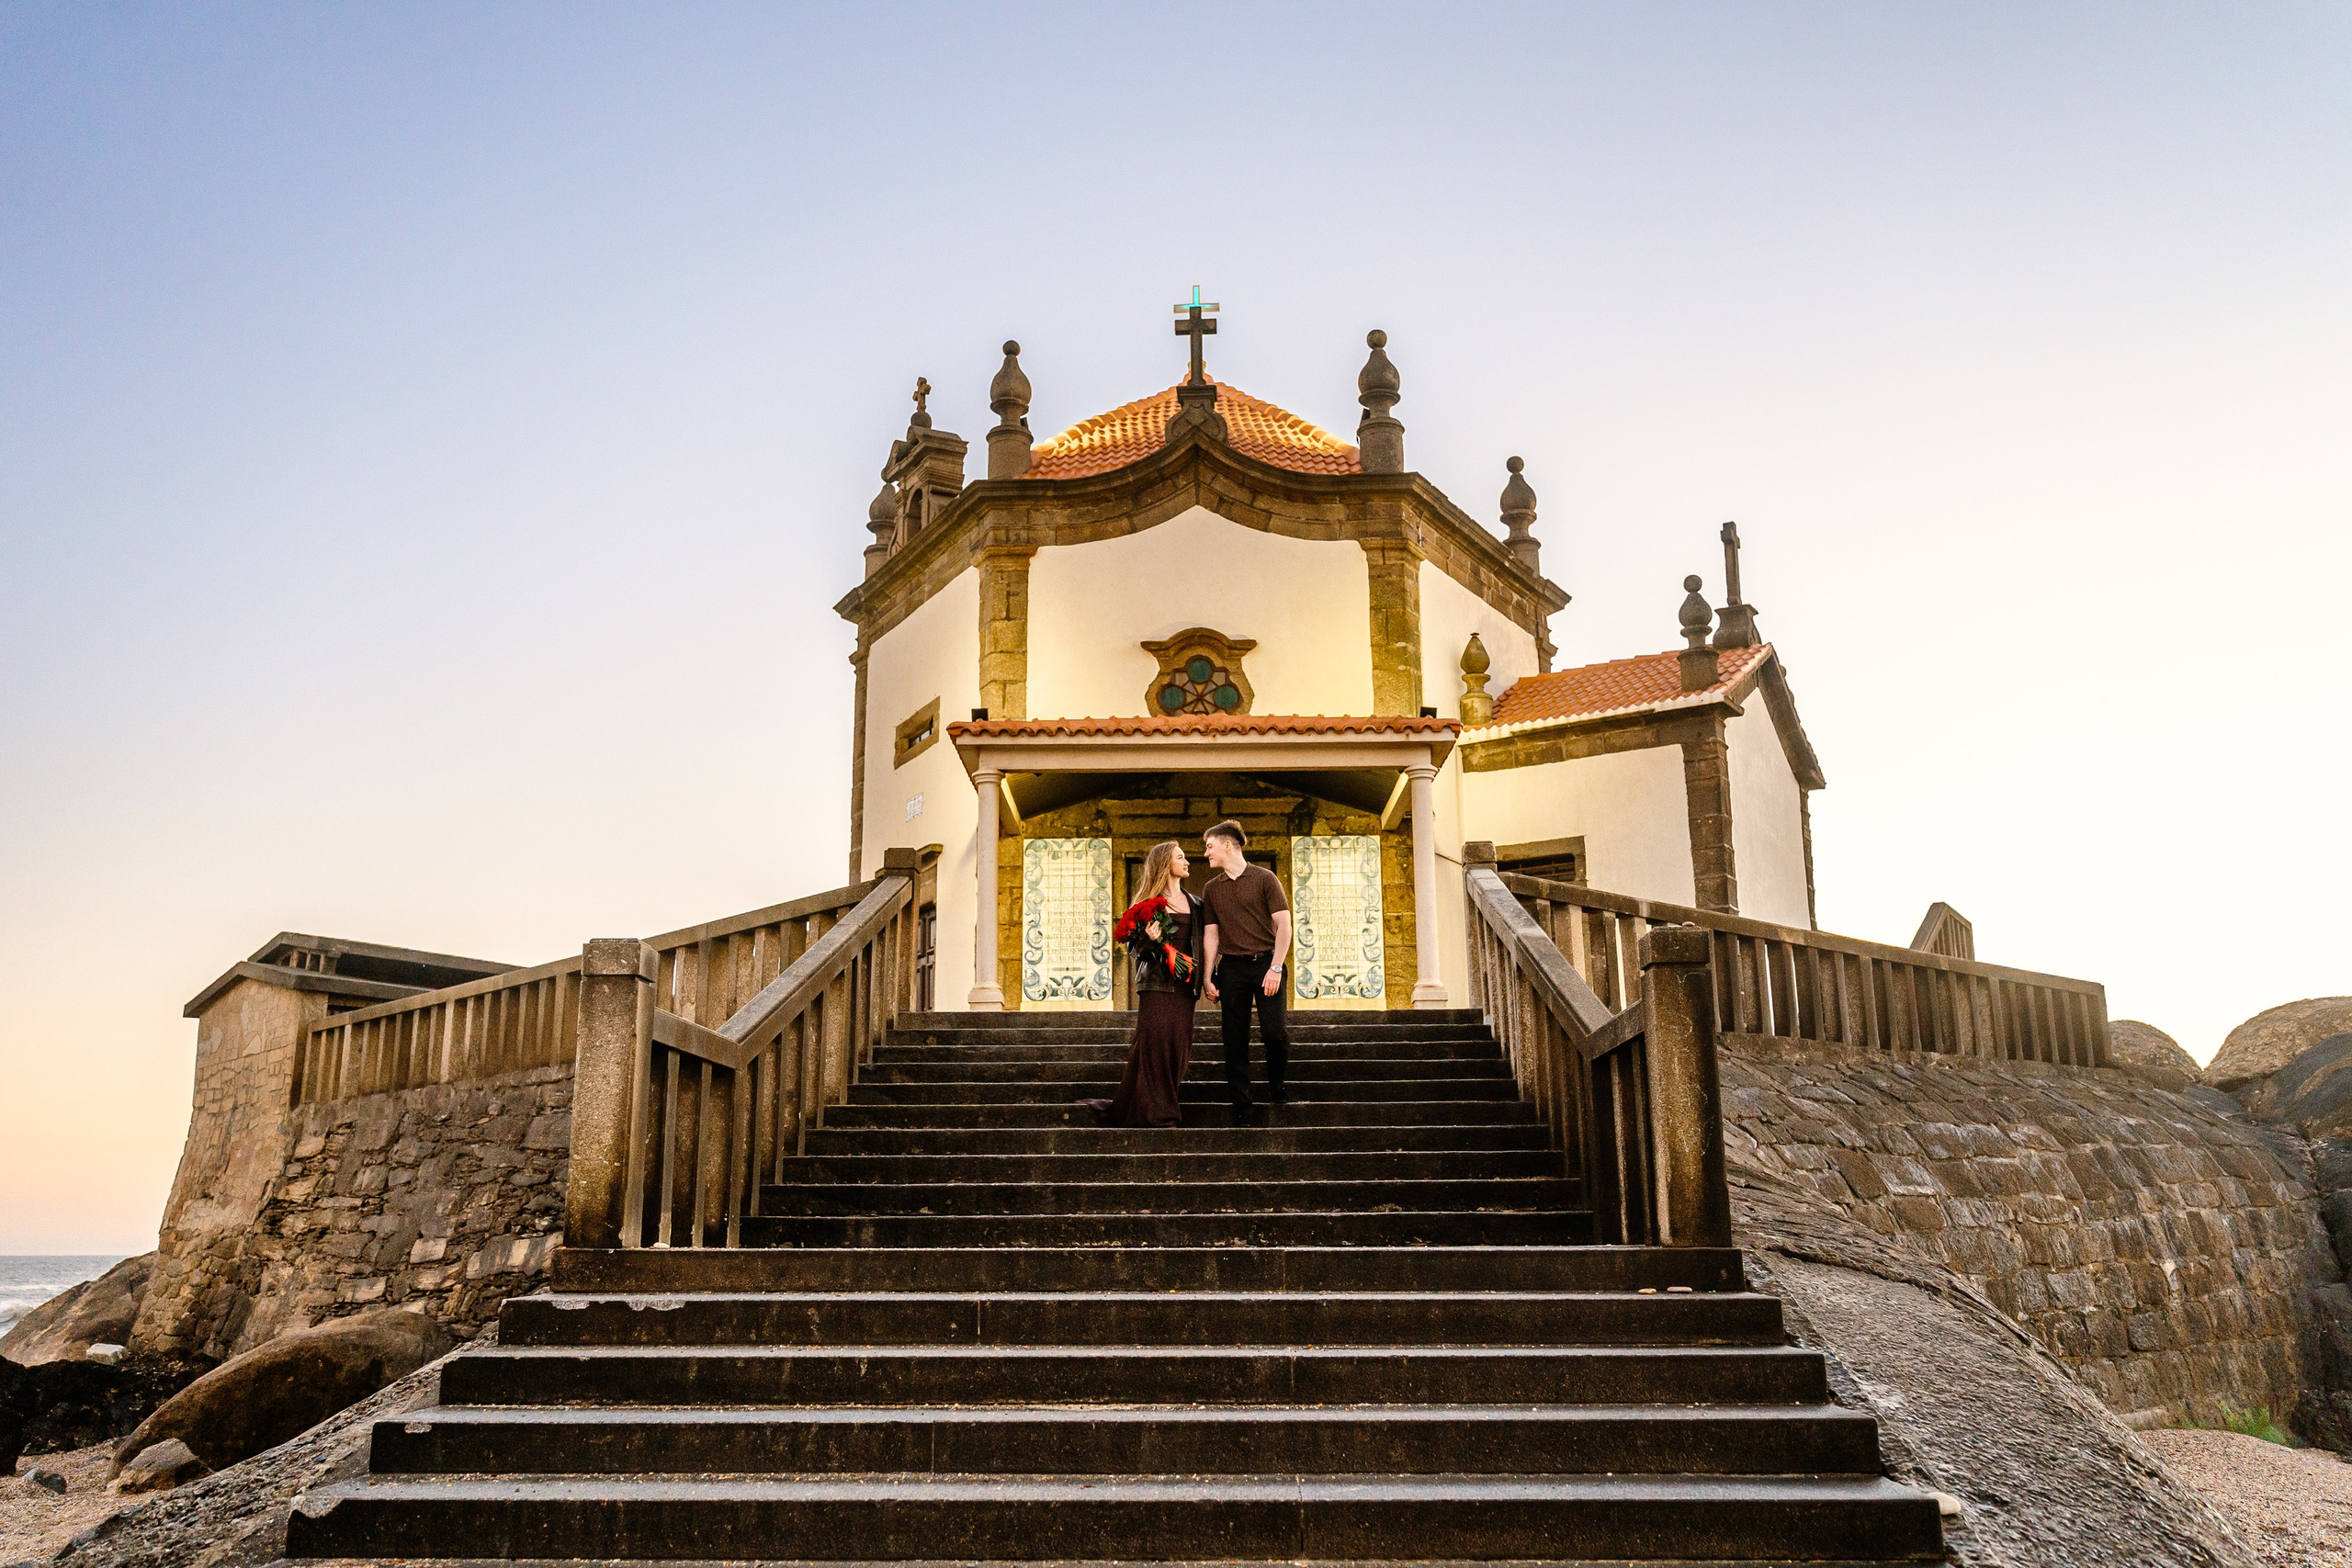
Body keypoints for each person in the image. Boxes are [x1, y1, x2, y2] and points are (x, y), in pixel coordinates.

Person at [1079, 840, 1204, 1127]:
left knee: (1179, 1047)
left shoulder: (1197, 904)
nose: (1187, 862)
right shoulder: (1146, 905)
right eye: (1181, 858)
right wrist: (1150, 938)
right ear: (1165, 865)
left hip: (1186, 987)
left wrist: (1207, 977)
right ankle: (1161, 1113)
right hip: (1157, 986)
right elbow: (1136, 950)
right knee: (1156, 1045)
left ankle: (1142, 1104)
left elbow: (1205, 945)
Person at [1198, 820, 1292, 1118]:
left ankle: (1277, 1084)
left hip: (1267, 963)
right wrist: (1207, 976)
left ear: (1227, 845)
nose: (1205, 853)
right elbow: (1211, 934)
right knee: (1234, 1039)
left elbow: (1284, 926)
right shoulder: (1212, 888)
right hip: (1233, 969)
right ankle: (1243, 1106)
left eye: (1209, 846)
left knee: (1274, 1034)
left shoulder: (1265, 878)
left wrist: (1276, 967)